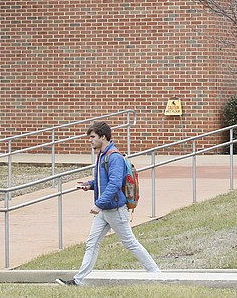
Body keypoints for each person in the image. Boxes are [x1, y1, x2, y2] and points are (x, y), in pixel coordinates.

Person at [56, 121, 160, 285]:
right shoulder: (102, 155)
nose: (90, 140)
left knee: (130, 243)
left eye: (92, 137)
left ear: (103, 136)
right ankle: (79, 280)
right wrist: (90, 185)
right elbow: (103, 181)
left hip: (115, 209)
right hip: (105, 209)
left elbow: (115, 184)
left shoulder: (114, 157)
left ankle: (155, 272)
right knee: (92, 243)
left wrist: (99, 204)